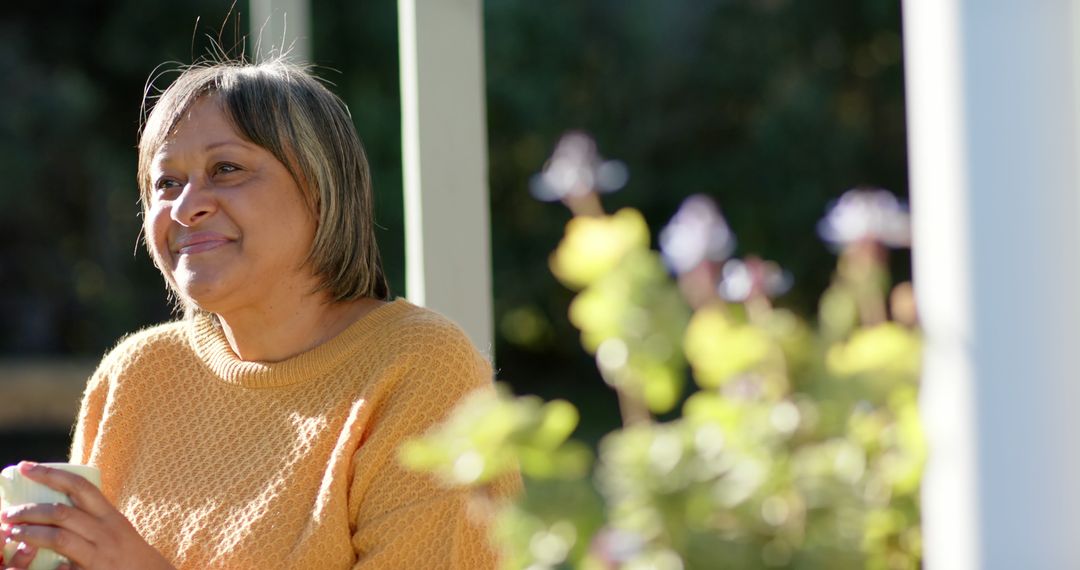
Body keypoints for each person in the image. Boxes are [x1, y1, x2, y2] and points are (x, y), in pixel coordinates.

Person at [0, 58, 516, 569]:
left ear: (320, 187)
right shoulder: (133, 376)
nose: (185, 208)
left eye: (226, 169)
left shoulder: (423, 370)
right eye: (166, 183)